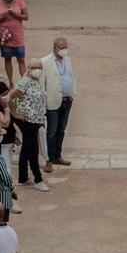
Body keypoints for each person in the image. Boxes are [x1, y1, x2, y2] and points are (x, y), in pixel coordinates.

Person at [13, 60, 49, 190]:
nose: (37, 69)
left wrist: (42, 119)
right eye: (34, 67)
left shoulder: (37, 81)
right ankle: (38, 179)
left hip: (36, 120)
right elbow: (11, 97)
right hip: (27, 121)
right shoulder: (25, 81)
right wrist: (15, 114)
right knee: (33, 150)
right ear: (29, 68)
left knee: (27, 148)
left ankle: (23, 177)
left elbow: (39, 101)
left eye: (39, 67)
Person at [42, 36, 75, 170]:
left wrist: (73, 93)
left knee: (61, 130)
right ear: (55, 48)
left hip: (67, 100)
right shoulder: (45, 62)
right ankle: (49, 159)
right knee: (52, 131)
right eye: (62, 47)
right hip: (53, 102)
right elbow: (42, 83)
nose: (64, 50)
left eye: (66, 47)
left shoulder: (67, 60)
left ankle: (57, 156)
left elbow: (71, 76)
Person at [0, 0, 28, 87]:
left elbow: (26, 17)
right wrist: (2, 16)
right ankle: (11, 81)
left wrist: (15, 14)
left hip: (17, 35)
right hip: (5, 35)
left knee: (21, 59)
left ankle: (25, 81)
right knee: (7, 58)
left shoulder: (20, 1)